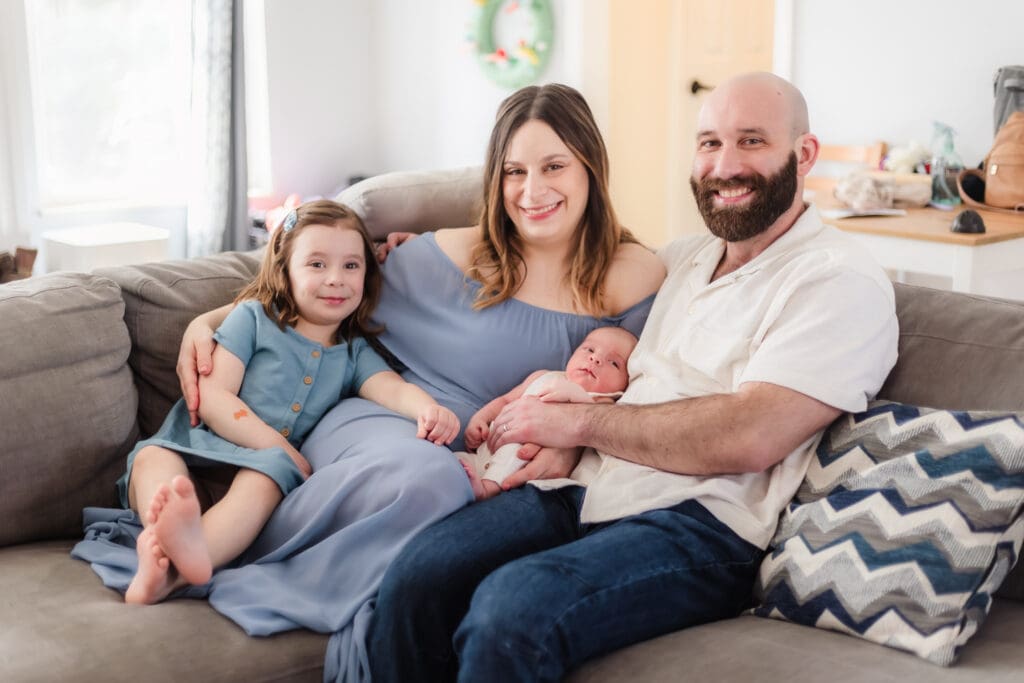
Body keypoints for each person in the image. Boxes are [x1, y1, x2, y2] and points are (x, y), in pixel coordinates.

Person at [72, 83, 665, 682]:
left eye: (553, 166)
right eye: (513, 171)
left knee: (451, 488)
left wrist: (574, 434)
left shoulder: (634, 274)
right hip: (378, 417)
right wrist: (209, 319)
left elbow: (643, 388)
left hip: (472, 451)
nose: (531, 191)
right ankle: (217, 552)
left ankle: (197, 550)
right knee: (432, 478)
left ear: (590, 163)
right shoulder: (445, 255)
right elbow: (310, 291)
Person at [366, 72, 900, 683]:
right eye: (708, 143)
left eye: (751, 141)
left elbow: (749, 434)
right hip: (586, 490)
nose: (724, 164)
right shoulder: (680, 259)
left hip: (698, 523)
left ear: (802, 155)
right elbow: (568, 258)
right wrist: (414, 255)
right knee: (417, 577)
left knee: (512, 609)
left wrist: (575, 422)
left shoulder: (835, 280)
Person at [119, 199, 460, 604]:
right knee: (153, 459)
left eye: (351, 266)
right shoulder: (254, 318)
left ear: (367, 276)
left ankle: (172, 570)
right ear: (285, 269)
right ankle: (168, 530)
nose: (336, 279)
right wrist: (278, 447)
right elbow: (212, 397)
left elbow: (390, 386)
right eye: (317, 264)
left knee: (265, 481)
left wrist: (427, 408)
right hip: (198, 445)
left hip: (259, 474)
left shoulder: (352, 352)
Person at [460, 325, 636, 500]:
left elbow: (596, 423)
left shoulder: (602, 401)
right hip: (485, 448)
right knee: (457, 463)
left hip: (525, 457)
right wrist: (481, 418)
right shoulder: (542, 376)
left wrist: (579, 397)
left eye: (614, 363)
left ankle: (488, 489)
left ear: (626, 382)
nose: (595, 358)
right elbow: (505, 400)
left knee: (517, 453)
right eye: (589, 349)